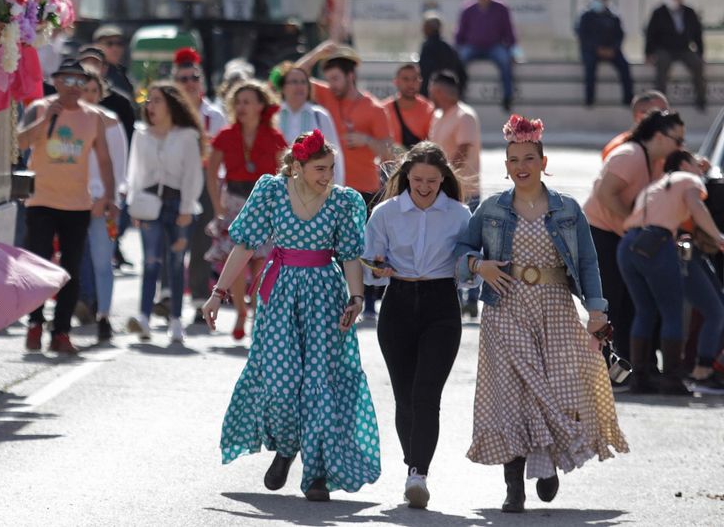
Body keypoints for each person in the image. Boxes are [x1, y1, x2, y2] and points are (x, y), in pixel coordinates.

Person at [458, 115, 627, 513]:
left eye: (529, 158)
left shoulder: (567, 209)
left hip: (554, 309)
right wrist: (477, 265)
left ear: (543, 161)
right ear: (505, 166)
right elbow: (460, 252)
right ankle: (513, 485)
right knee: (512, 396)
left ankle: (547, 462)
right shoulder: (490, 209)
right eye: (514, 159)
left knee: (553, 390)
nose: (521, 166)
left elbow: (587, 263)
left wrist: (597, 311)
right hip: (506, 308)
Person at [202, 131, 379, 503]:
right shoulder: (271, 191)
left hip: (325, 297)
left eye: (330, 168)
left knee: (321, 386)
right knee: (280, 384)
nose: (327, 175)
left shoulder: (343, 202)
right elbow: (244, 245)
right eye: (319, 168)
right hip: (280, 294)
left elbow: (349, 255)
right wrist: (219, 293)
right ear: (296, 167)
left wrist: (356, 297)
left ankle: (317, 475)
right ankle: (286, 448)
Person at [363, 143, 470, 509]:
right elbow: (370, 271)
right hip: (398, 304)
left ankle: (418, 473)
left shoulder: (459, 215)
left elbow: (470, 271)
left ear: (444, 179)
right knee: (404, 397)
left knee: (427, 394)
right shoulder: (384, 213)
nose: (424, 186)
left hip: (442, 305)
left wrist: (469, 268)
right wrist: (376, 269)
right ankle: (413, 466)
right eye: (418, 179)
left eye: (433, 180)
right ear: (406, 176)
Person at [17, 58, 118, 356]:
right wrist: (46, 120)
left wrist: (108, 197)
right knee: (39, 265)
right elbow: (20, 143)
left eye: (80, 82)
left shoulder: (93, 117)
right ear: (56, 81)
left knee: (70, 269)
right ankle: (35, 323)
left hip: (76, 204)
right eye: (68, 81)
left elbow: (104, 160)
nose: (74, 88)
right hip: (41, 201)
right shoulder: (40, 108)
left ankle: (61, 331)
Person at [618, 148, 724, 394]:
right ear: (684, 164)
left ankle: (640, 377)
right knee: (672, 312)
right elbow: (696, 206)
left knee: (644, 311)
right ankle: (672, 378)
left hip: (629, 244)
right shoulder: (688, 179)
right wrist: (718, 236)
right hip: (657, 243)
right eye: (695, 162)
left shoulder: (657, 186)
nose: (701, 167)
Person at [584, 108, 685, 364]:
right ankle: (604, 369)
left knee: (632, 304)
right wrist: (633, 223)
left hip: (623, 236)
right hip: (602, 235)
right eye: (678, 140)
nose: (681, 146)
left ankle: (633, 366)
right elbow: (604, 194)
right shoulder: (630, 155)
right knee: (612, 305)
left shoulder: (657, 161)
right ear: (660, 137)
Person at [203, 79, 286, 341]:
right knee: (235, 261)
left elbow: (284, 175)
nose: (241, 107)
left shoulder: (274, 137)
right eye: (238, 102)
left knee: (262, 261)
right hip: (235, 201)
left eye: (247, 102)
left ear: (261, 106)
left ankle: (255, 312)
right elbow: (211, 172)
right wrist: (218, 206)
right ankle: (239, 311)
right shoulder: (226, 135)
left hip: (264, 203)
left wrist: (279, 210)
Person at [124, 82, 204, 344]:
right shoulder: (141, 134)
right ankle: (144, 317)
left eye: (157, 100)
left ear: (171, 104)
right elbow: (134, 173)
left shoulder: (187, 136)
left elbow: (193, 174)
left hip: (177, 203)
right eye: (149, 101)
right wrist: (134, 204)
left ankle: (176, 320)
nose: (151, 105)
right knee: (150, 262)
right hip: (149, 204)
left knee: (175, 262)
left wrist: (186, 208)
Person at [294, 42, 395, 207]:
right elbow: (293, 77)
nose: (331, 85)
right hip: (330, 188)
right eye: (328, 80)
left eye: (335, 79)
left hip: (365, 190)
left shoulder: (375, 108)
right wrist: (317, 53)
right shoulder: (327, 95)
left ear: (350, 76)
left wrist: (367, 140)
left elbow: (389, 153)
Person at [77, 66, 127, 343]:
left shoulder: (111, 122)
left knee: (102, 261)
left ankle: (104, 315)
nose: (88, 95)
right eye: (84, 90)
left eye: (93, 90)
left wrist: (110, 199)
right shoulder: (67, 121)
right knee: (70, 260)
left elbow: (120, 167)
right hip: (71, 201)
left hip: (103, 204)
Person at [173, 47, 223, 296]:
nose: (190, 83)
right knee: (173, 240)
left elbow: (223, 152)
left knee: (201, 241)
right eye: (183, 79)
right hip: (174, 179)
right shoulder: (169, 113)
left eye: (194, 78)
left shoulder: (214, 114)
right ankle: (167, 295)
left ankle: (199, 298)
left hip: (205, 178)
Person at [270, 61, 344, 186]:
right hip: (279, 188)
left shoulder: (320, 115)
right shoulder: (273, 115)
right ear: (282, 87)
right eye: (294, 82)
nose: (300, 86)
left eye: (303, 82)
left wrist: (336, 189)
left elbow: (335, 155)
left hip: (312, 188)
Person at [454, 0, 518, 110]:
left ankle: (508, 96)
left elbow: (508, 29)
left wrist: (512, 49)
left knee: (505, 60)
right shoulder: (468, 9)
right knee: (459, 61)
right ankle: (458, 94)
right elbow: (460, 31)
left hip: (494, 46)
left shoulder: (501, 8)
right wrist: (457, 47)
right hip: (472, 46)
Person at [645, 0, 707, 109]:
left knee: (697, 64)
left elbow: (697, 34)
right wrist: (648, 53)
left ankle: (701, 99)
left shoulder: (689, 12)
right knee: (661, 66)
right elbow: (650, 34)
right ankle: (660, 104)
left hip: (684, 48)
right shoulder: (659, 13)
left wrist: (701, 53)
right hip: (665, 48)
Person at [427, 72, 482, 208]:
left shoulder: (465, 116)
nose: (430, 96)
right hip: (443, 191)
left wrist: (440, 179)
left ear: (439, 92)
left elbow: (461, 155)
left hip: (464, 194)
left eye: (432, 91)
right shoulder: (437, 115)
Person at [577, 0, 633, 107]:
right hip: (592, 51)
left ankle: (628, 99)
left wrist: (613, 49)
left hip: (612, 51)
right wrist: (597, 48)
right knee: (590, 67)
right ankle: (589, 99)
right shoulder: (586, 16)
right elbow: (583, 36)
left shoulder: (614, 16)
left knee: (625, 66)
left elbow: (620, 35)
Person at [75, 45, 137, 136]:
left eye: (95, 63)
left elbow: (128, 136)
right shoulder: (68, 99)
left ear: (105, 68)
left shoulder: (121, 103)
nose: (90, 67)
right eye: (85, 63)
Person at [602, 90, 668, 160]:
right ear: (640, 116)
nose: (667, 116)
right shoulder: (619, 148)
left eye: (667, 111)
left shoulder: (670, 143)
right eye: (661, 112)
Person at [384, 62, 436, 148]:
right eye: (405, 79)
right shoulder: (384, 110)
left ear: (420, 82)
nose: (411, 84)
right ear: (396, 82)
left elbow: (433, 144)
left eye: (415, 79)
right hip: (390, 160)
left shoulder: (429, 110)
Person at [417, 13, 467, 99]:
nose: (422, 29)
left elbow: (425, 73)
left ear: (428, 28)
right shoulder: (449, 47)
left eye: (424, 26)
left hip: (431, 97)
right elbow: (462, 74)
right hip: (450, 97)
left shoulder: (427, 47)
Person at [89, 24, 136, 103]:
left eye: (119, 44)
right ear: (96, 46)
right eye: (109, 43)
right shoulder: (93, 72)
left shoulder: (124, 73)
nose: (115, 48)